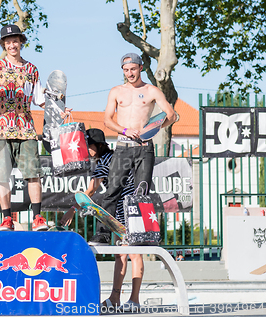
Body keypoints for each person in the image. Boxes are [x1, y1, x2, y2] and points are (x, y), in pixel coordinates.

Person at [0, 24, 69, 231]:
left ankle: (37, 218)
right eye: (8, 41)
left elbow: (40, 99)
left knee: (33, 174)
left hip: (26, 128)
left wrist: (59, 109)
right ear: (3, 44)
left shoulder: (31, 69)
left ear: (21, 42)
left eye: (15, 41)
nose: (12, 45)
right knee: (1, 176)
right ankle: (6, 219)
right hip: (1, 128)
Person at [100, 52, 177, 311]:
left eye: (133, 69)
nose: (130, 73)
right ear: (122, 70)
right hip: (123, 146)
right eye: (126, 69)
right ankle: (101, 233)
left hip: (144, 148)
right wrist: (123, 130)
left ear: (141, 68)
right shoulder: (116, 91)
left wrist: (154, 129)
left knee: (142, 193)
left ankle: (142, 233)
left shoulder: (152, 90)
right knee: (112, 189)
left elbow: (171, 114)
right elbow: (107, 120)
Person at [60, 128, 140, 311]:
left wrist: (72, 210)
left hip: (128, 210)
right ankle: (116, 298)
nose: (87, 149)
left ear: (100, 145)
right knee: (122, 254)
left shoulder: (105, 162)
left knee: (134, 253)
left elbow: (90, 192)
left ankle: (134, 300)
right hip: (124, 209)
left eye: (90, 145)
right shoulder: (115, 157)